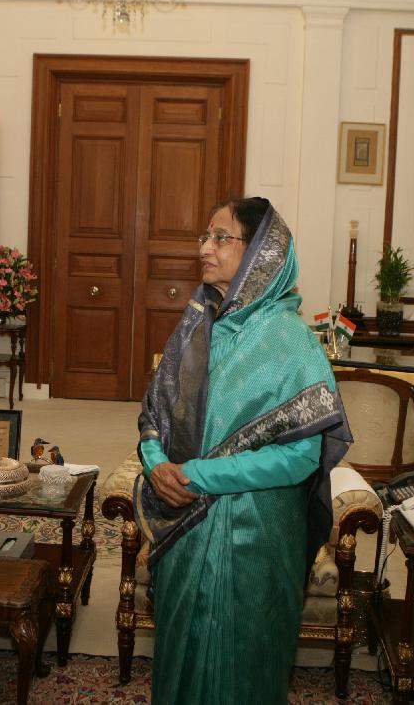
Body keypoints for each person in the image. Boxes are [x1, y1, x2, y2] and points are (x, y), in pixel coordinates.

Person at [135, 196, 352, 703]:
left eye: (221, 238)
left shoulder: (290, 340)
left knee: (243, 664)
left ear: (261, 252)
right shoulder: (196, 326)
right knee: (181, 656)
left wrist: (197, 476)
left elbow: (300, 458)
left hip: (255, 535)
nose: (204, 249)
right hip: (185, 526)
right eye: (205, 237)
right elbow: (154, 415)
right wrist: (157, 465)